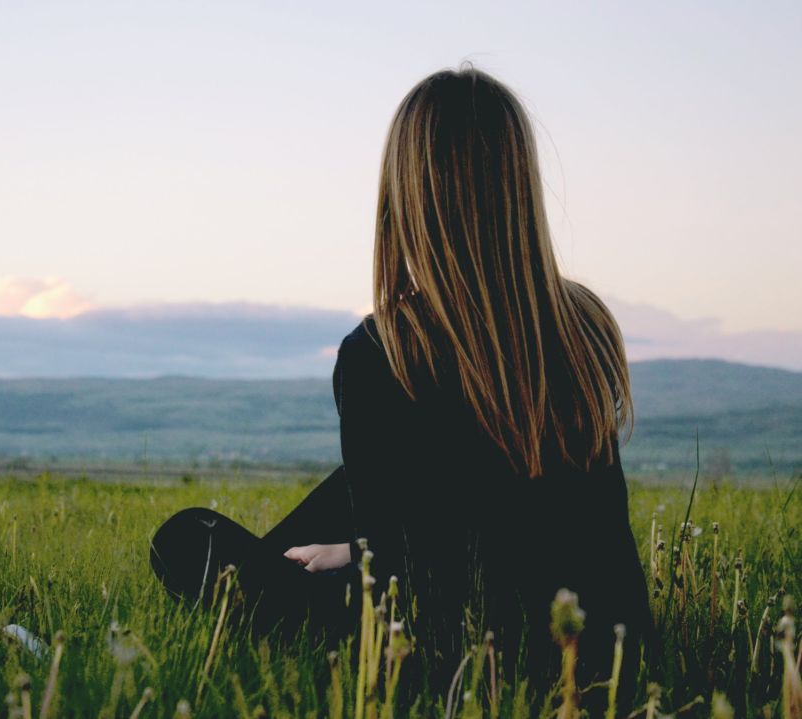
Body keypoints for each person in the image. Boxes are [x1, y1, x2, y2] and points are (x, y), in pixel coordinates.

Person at [149, 63, 653, 710]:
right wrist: (355, 547)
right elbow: (518, 514)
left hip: (452, 655)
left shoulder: (385, 351)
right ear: (518, 185)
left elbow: (413, 588)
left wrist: (359, 559)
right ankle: (308, 559)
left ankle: (275, 582)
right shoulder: (582, 322)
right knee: (349, 494)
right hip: (609, 650)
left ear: (409, 193)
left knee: (187, 538)